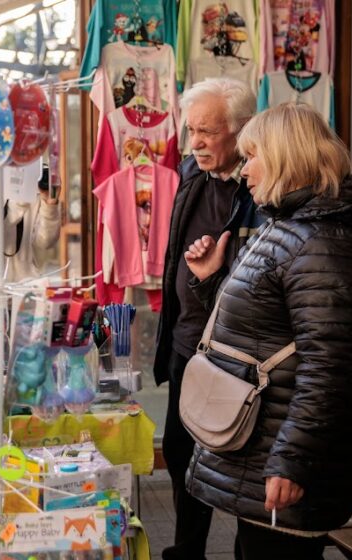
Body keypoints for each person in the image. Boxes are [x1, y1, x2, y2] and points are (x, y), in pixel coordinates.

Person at [182, 102, 352, 559]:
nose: (244, 170)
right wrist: (212, 279)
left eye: (252, 157)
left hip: (286, 454)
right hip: (265, 443)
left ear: (286, 157)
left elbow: (332, 368)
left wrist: (293, 462)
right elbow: (261, 329)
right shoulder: (293, 225)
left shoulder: (324, 241)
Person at [152, 77, 262, 560]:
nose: (194, 142)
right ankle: (188, 548)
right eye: (190, 129)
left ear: (240, 131)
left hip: (237, 353)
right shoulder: (190, 173)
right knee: (180, 451)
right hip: (187, 341)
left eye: (207, 132)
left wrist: (208, 277)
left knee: (239, 461)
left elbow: (257, 283)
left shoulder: (264, 190)